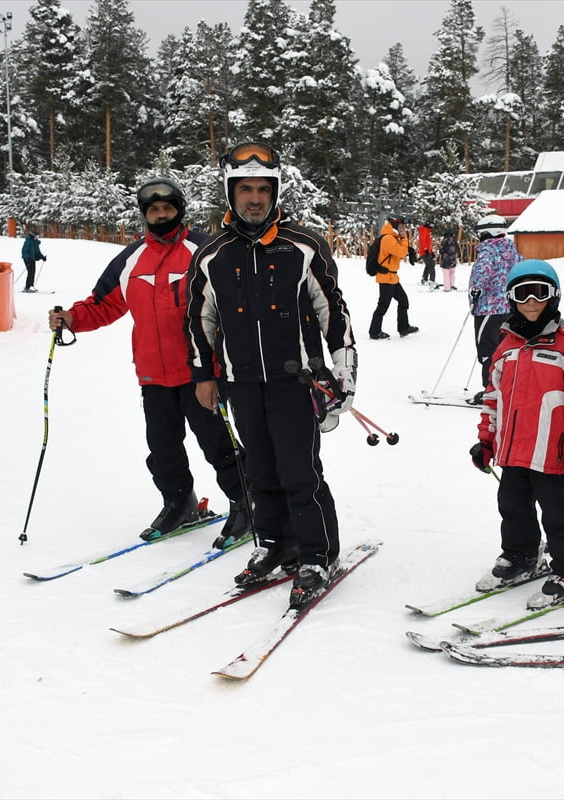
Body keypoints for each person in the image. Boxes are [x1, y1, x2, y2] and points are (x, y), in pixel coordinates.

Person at [186, 142, 356, 609]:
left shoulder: (303, 245)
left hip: (295, 381)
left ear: (275, 192)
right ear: (231, 193)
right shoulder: (212, 254)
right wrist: (203, 375)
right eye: (246, 189)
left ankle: (316, 553)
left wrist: (344, 365)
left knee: (300, 471)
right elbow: (199, 319)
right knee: (260, 470)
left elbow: (331, 307)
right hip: (240, 381)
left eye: (264, 189)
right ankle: (275, 543)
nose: (255, 198)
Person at [47, 177, 252, 545]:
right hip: (153, 374)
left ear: (179, 211)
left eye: (167, 208)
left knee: (218, 445)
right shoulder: (130, 259)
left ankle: (247, 503)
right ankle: (179, 503)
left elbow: (239, 301)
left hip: (202, 373)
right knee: (162, 448)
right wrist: (71, 318)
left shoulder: (204, 250)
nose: (161, 215)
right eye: (154, 210)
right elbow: (103, 304)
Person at [469, 260, 564, 608]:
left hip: (552, 452)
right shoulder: (505, 346)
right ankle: (521, 554)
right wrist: (486, 441)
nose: (530, 302)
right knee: (512, 505)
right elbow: (493, 398)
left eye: (539, 293)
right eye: (522, 293)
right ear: (511, 299)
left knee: (557, 512)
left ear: (553, 296)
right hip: (512, 450)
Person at [468, 214, 521, 403]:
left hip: (488, 309)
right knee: (506, 350)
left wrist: (475, 294)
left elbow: (481, 274)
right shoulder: (512, 251)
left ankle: (490, 392)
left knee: (488, 351)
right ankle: (506, 388)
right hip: (510, 309)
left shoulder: (488, 251)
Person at [367, 214, 419, 339]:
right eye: (402, 226)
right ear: (395, 225)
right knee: (383, 305)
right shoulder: (388, 238)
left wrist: (407, 247)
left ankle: (403, 327)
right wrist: (404, 238)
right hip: (386, 277)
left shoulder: (392, 237)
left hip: (392, 277)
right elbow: (400, 252)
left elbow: (399, 251)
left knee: (403, 301)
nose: (404, 228)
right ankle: (374, 332)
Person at [20, 228, 47, 293]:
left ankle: (31, 286)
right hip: (27, 259)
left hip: (32, 259)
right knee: (30, 272)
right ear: (33, 236)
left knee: (33, 271)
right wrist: (27, 258)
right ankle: (27, 287)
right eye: (36, 236)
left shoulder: (35, 243)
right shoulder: (28, 242)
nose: (37, 237)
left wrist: (42, 257)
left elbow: (38, 252)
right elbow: (24, 251)